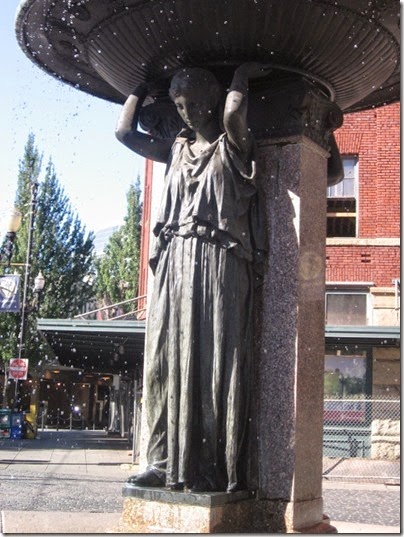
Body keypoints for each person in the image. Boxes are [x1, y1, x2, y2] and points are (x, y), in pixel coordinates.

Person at [115, 63, 268, 493]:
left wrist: (242, 75)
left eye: (195, 102)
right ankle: (162, 462)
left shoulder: (235, 144)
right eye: (180, 104)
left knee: (214, 358)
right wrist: (139, 91)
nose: (186, 112)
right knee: (167, 360)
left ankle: (211, 468)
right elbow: (124, 135)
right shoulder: (175, 149)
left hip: (219, 261)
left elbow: (235, 115)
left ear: (213, 100)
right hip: (176, 261)